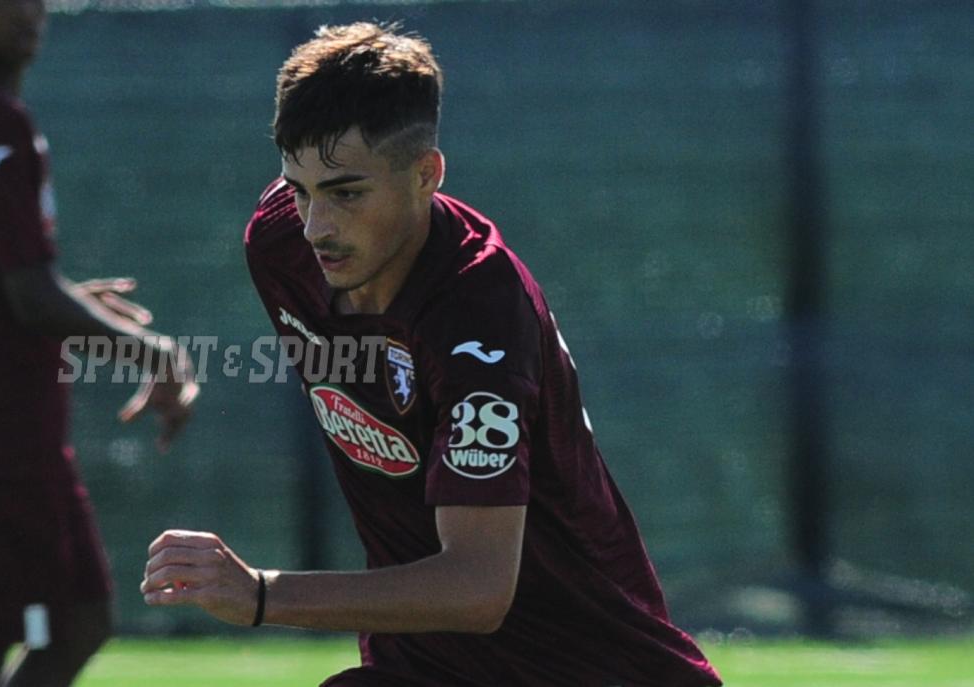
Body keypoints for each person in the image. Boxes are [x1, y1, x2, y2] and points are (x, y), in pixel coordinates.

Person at [142, 22, 721, 687]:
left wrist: (261, 594)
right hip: (429, 668)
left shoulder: (478, 319)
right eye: (299, 189)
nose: (317, 226)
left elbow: (477, 586)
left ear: (426, 174)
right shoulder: (281, 250)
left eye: (346, 192)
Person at [0, 0, 198, 685]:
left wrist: (69, 300)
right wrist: (154, 352)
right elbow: (28, 294)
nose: (26, 11)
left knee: (80, 618)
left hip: (0, 409)